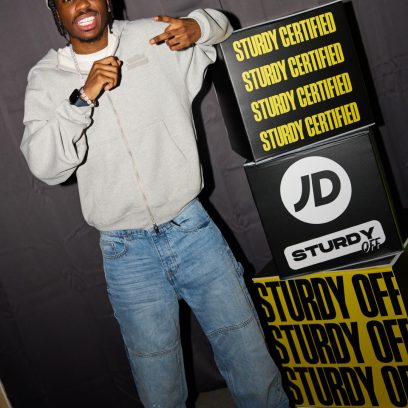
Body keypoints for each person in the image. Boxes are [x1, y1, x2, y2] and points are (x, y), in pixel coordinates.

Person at [21, 0, 289, 407]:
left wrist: (199, 27)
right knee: (159, 389)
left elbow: (222, 27)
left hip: (192, 230)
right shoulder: (46, 77)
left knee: (251, 363)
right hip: (126, 253)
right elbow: (46, 167)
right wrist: (82, 99)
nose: (82, 3)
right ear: (56, 11)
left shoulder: (152, 37)